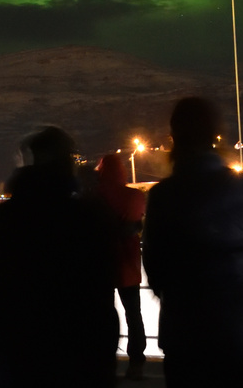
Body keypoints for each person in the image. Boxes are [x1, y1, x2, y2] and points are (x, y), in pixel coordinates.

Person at [142, 97, 243, 388]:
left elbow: (155, 270)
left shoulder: (163, 196)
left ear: (174, 138)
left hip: (188, 337)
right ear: (216, 136)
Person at [0, 126, 118, 388]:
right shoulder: (89, 218)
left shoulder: (4, 219)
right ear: (67, 162)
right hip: (79, 358)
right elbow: (100, 292)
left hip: (18, 355)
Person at [93, 154, 149, 380]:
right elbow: (137, 223)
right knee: (133, 314)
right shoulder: (135, 196)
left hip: (100, 265)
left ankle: (103, 361)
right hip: (127, 264)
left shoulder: (94, 197)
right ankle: (136, 361)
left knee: (101, 315)